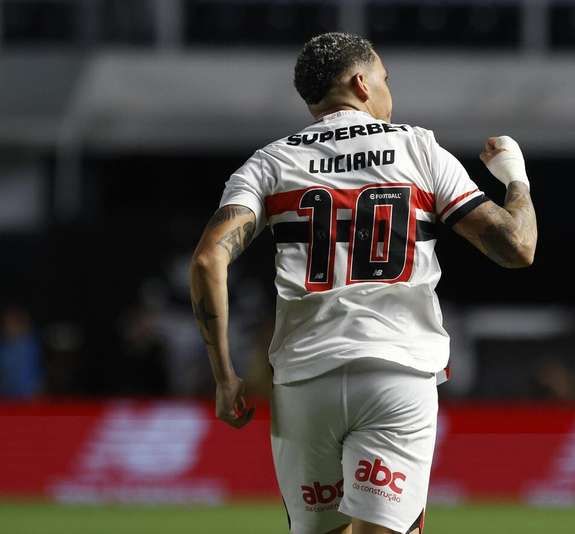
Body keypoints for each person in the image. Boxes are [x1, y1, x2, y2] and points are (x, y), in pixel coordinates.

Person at [190, 32, 537, 534]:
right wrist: (516, 178)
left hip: (304, 379)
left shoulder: (270, 162)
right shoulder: (418, 148)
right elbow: (517, 247)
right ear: (361, 83)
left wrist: (224, 378)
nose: (388, 89)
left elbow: (206, 262)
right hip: (397, 375)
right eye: (384, 78)